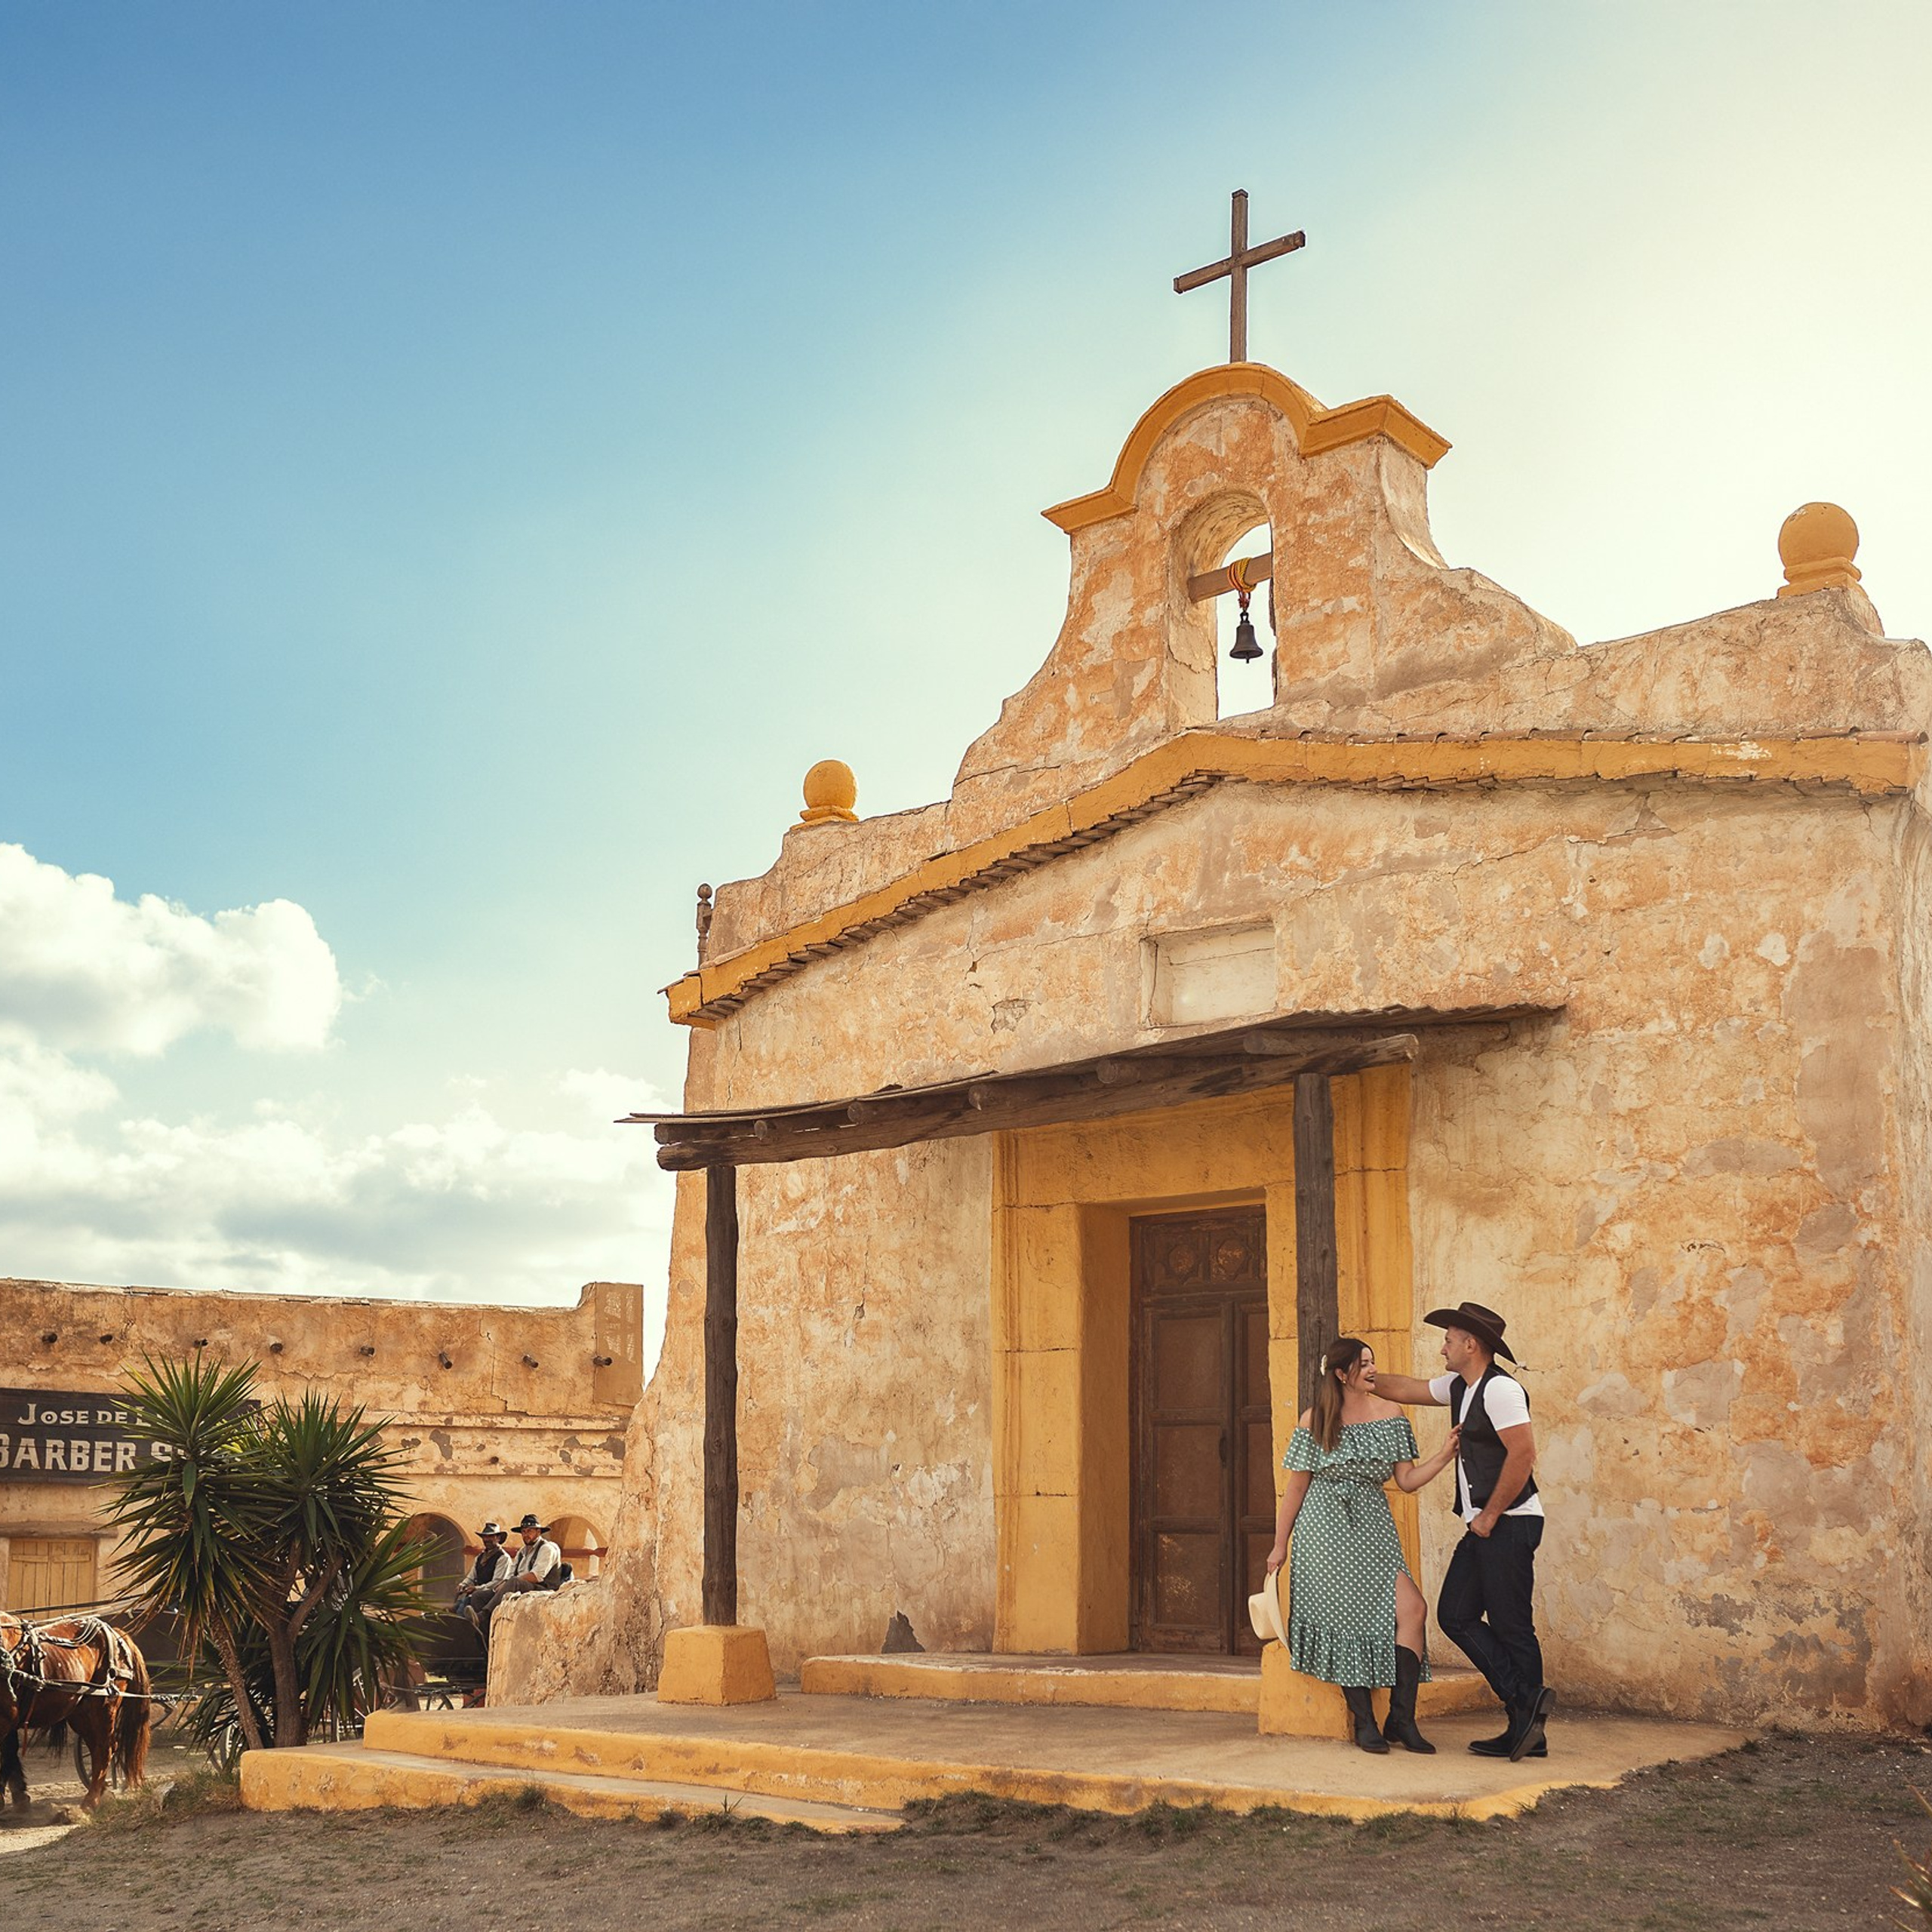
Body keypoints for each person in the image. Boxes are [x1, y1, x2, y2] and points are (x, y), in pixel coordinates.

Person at [1371, 1300, 1555, 1762]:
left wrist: (1490, 1516)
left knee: (1513, 1626)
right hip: (1487, 1525)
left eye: (1449, 1340)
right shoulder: (1461, 1385)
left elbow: (1523, 1454)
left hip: (1509, 1522)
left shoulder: (1501, 1391)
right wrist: (1357, 1374)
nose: (1443, 1348)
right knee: (1455, 1614)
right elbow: (1409, 1389)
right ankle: (1524, 1706)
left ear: (1471, 1345)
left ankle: (1527, 1725)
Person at [1263, 1336, 1461, 1755]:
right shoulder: (1314, 1421)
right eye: (1364, 1364)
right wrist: (1279, 1546)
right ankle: (1364, 1722)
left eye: (1373, 1362)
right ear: (1342, 1374)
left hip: (1373, 1523)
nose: (1373, 1370)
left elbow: (1405, 1481)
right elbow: (1296, 1489)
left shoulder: (1391, 1414)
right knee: (1345, 1617)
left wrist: (1444, 1456)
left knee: (1413, 1609)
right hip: (1324, 1526)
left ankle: (1402, 1719)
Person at [462, 1513, 561, 1629]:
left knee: (514, 1581)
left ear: (538, 1532)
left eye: (530, 1531)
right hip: (520, 1585)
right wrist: (504, 1584)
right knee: (479, 1596)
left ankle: (483, 1616)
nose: (526, 1535)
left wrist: (510, 1582)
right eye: (524, 1532)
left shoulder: (547, 1548)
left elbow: (536, 1576)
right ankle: (481, 1634)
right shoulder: (522, 1552)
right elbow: (510, 1574)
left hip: (542, 1587)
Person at [452, 1521, 513, 1617]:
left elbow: (497, 1582)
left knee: (462, 1613)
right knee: (455, 1609)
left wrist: (476, 1588)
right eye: (485, 1537)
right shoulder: (480, 1557)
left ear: (498, 1538)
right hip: (475, 1594)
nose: (487, 1540)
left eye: (490, 1537)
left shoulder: (503, 1558)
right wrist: (463, 1584)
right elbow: (471, 1576)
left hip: (490, 1597)